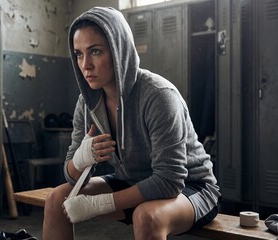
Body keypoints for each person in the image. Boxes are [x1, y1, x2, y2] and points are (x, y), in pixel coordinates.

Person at [42, 6, 221, 240]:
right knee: (57, 200)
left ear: (119, 50)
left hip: (192, 187)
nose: (85, 65)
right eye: (78, 54)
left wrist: (100, 204)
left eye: (95, 51)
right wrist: (80, 160)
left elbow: (170, 180)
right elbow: (71, 177)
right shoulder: (86, 103)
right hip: (131, 182)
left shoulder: (158, 95)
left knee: (147, 216)